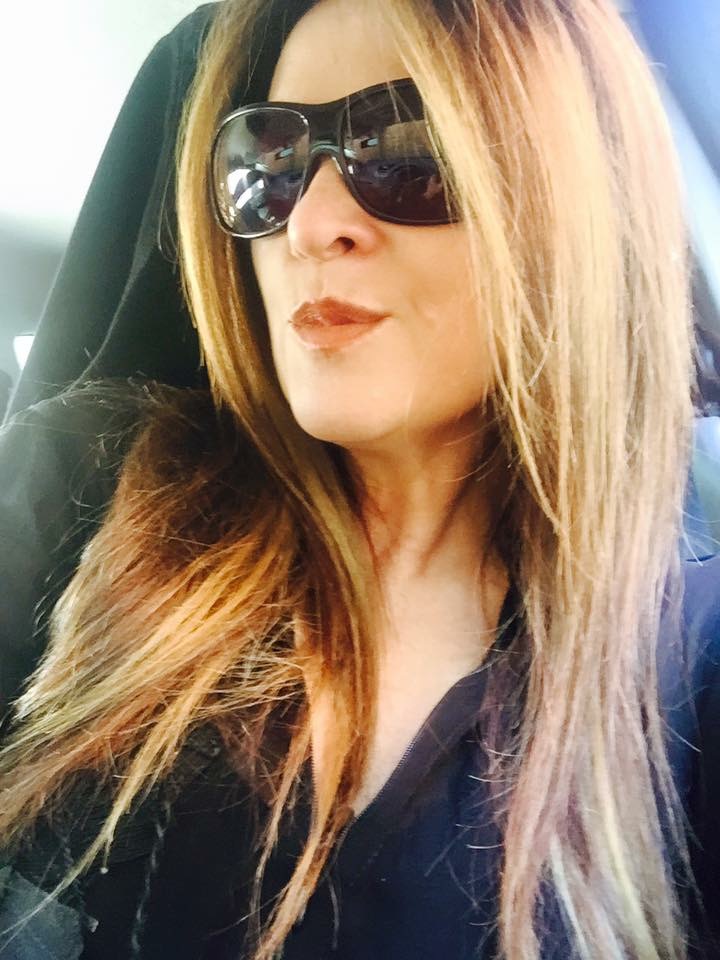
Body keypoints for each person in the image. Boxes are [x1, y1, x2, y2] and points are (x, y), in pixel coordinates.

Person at [0, 0, 718, 958]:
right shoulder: (82, 488)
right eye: (269, 168)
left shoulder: (688, 659)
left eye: (409, 150)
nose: (309, 225)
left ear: (574, 203)